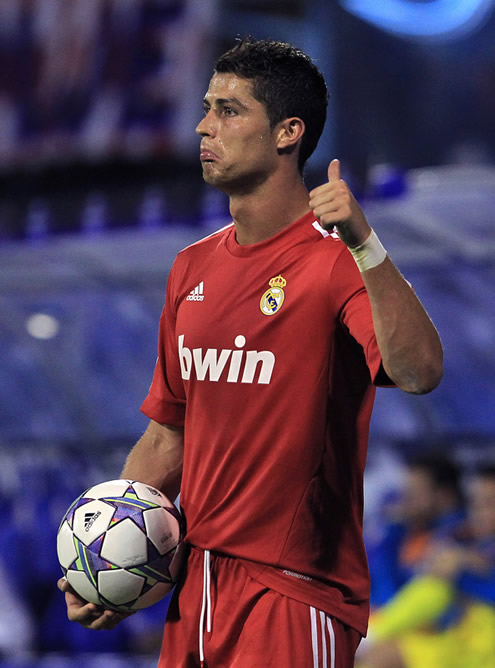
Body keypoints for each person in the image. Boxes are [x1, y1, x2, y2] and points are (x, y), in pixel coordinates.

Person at [58, 38, 443, 667]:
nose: (205, 126)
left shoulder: (334, 261)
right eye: (208, 107)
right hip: (195, 591)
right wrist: (104, 558)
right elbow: (166, 438)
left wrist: (365, 245)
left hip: (293, 594)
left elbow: (421, 372)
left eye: (230, 111)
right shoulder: (191, 268)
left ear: (288, 132)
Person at [356, 465, 495, 668]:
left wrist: (460, 574)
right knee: (379, 653)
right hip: (457, 641)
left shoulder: (457, 541)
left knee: (439, 585)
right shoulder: (467, 542)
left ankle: (373, 632)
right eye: (475, 504)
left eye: (489, 504)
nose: (479, 513)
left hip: (480, 652)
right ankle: (372, 633)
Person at [368, 453, 465, 608]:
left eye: (416, 491)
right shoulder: (404, 531)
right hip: (391, 620)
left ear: (444, 496)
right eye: (407, 491)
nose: (407, 499)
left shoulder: (461, 536)